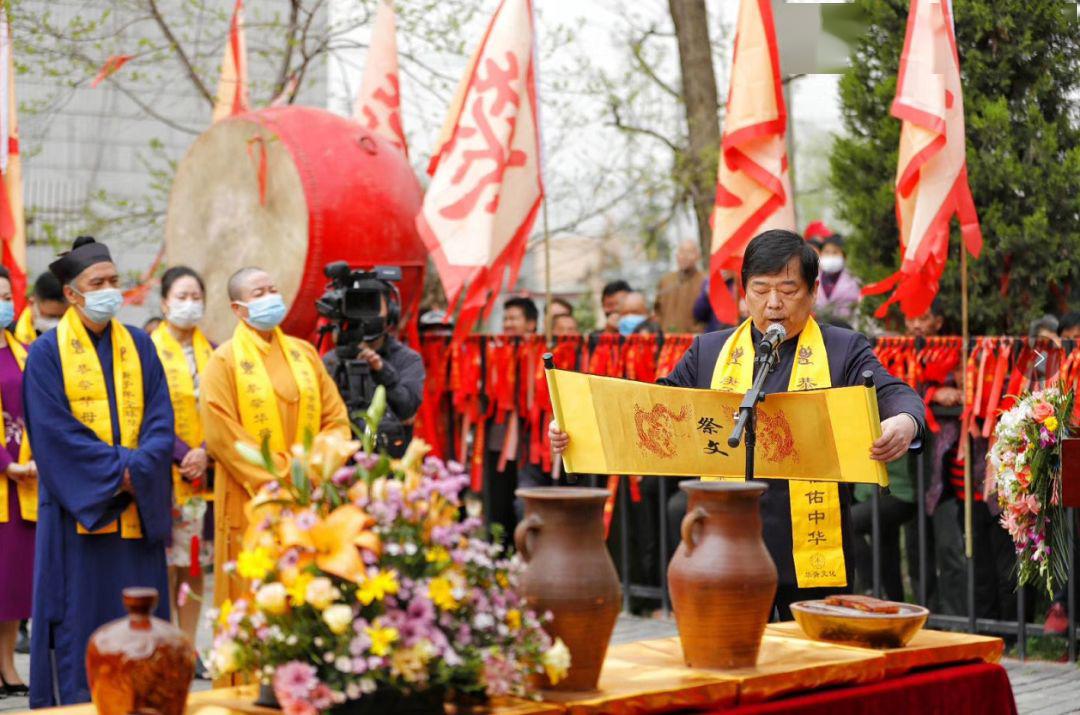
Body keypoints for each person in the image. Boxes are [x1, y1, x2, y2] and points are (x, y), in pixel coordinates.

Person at [550, 229, 925, 618]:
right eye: (760, 290)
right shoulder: (710, 351)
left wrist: (903, 420)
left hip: (809, 543)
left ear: (813, 292)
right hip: (725, 544)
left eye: (788, 289)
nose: (774, 303)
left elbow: (893, 391)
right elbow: (653, 408)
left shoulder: (842, 347)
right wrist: (575, 427)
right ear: (743, 295)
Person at [25, 236, 174, 706]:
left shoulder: (140, 345)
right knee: (80, 619)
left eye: (114, 281)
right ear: (71, 293)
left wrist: (137, 469)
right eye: (98, 283)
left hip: (136, 512)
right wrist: (123, 473)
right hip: (79, 514)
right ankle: (79, 701)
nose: (110, 289)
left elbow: (160, 420)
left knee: (143, 625)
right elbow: (55, 436)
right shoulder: (47, 354)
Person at [201, 267, 350, 608]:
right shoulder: (222, 362)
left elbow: (337, 420)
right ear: (238, 309)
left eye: (272, 289)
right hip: (251, 496)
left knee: (309, 593)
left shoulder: (305, 354)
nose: (270, 297)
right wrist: (287, 475)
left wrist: (314, 469)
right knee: (253, 594)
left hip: (309, 493)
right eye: (259, 293)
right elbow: (222, 437)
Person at [150, 267, 214, 677]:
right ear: (164, 303)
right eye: (182, 295)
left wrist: (205, 452)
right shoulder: (147, 349)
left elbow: (226, 410)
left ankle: (190, 649)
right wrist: (182, 453)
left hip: (203, 480)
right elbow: (145, 412)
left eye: (196, 295)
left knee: (193, 566)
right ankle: (164, 647)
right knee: (162, 568)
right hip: (163, 477)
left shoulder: (217, 351)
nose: (190, 303)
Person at [905, 299, 967, 616]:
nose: (916, 324)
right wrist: (931, 395)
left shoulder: (952, 350)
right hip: (911, 468)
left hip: (945, 472)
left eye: (924, 317)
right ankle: (923, 615)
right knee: (917, 549)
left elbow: (967, 390)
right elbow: (897, 389)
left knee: (949, 547)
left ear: (939, 322)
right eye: (911, 317)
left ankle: (958, 619)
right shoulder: (897, 351)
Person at [323, 286, 424, 458]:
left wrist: (381, 370)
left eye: (372, 304)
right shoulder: (332, 360)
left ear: (390, 312)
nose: (365, 313)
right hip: (342, 461)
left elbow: (406, 409)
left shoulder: (407, 359)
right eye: (358, 305)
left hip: (390, 462)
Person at [0, 267, 34, 697]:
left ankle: (7, 666)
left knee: (9, 583)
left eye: (8, 294)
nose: (4, 302)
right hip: (7, 474)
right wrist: (6, 463)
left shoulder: (25, 353)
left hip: (24, 484)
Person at [485, 297, 543, 535]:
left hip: (531, 443)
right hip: (499, 439)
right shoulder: (494, 350)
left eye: (514, 318)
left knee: (524, 503)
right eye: (505, 318)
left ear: (531, 324)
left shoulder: (541, 351)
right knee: (498, 503)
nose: (508, 324)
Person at [654, 239, 705, 333]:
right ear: (676, 256)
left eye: (689, 252)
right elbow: (657, 311)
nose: (684, 256)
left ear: (698, 256)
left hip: (694, 339)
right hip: (668, 340)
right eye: (681, 252)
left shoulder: (704, 280)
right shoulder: (665, 281)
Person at [814, 235, 861, 322]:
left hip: (846, 329)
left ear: (844, 256)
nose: (830, 256)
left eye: (835, 252)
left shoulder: (854, 280)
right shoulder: (812, 278)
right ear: (820, 254)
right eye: (827, 252)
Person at [13, 272, 67, 345]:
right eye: (51, 316)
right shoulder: (10, 336)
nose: (57, 323)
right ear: (31, 303)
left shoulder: (81, 333)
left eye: (62, 316)